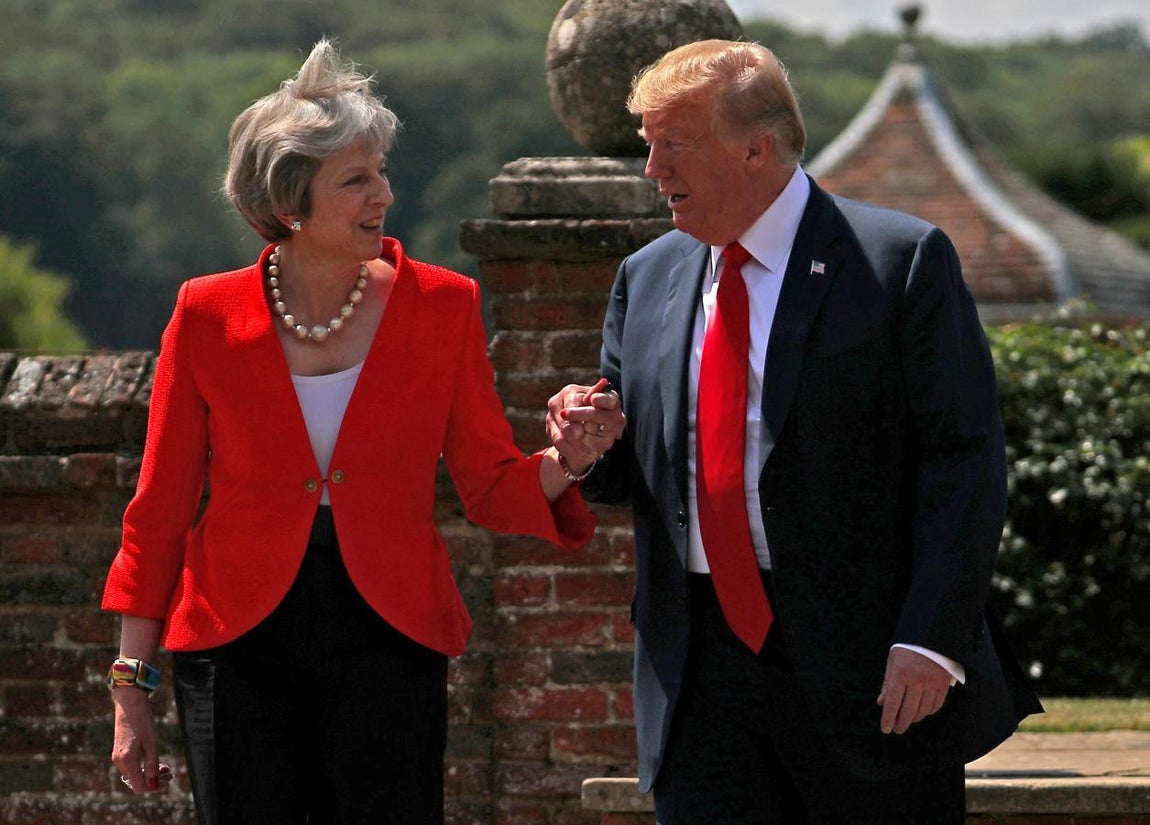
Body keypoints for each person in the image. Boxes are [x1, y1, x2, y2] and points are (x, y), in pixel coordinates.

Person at [102, 39, 623, 825]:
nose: (383, 194)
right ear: (288, 204)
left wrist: (568, 459)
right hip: (236, 644)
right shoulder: (206, 313)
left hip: (389, 634)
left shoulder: (443, 305)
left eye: (381, 171)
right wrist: (129, 689)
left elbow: (488, 485)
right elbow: (159, 513)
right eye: (355, 179)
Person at [548, 39, 1041, 824]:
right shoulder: (645, 277)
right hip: (697, 673)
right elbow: (638, 470)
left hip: (871, 672)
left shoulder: (898, 260)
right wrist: (587, 445)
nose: (652, 171)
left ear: (755, 148)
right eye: (648, 147)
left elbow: (965, 460)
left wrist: (930, 638)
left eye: (672, 145)